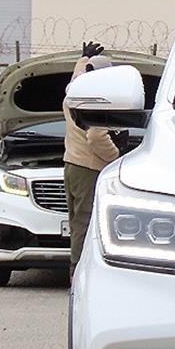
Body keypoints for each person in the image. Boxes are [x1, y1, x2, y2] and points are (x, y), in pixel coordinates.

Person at [63, 41, 120, 274]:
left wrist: (83, 58)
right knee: (85, 223)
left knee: (76, 219)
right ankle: (78, 272)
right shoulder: (95, 99)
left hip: (71, 164)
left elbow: (75, 78)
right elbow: (96, 136)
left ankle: (74, 267)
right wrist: (115, 157)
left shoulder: (74, 92)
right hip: (90, 167)